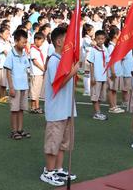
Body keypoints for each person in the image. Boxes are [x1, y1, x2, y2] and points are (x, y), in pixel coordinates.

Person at [40, 25, 78, 187]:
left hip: (66, 108)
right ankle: (48, 172)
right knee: (53, 142)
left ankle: (58, 168)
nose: (71, 43)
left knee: (63, 142)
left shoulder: (64, 60)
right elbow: (58, 83)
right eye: (68, 40)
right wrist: (72, 72)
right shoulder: (55, 61)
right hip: (56, 110)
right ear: (59, 41)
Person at [4, 28, 31, 140]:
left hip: (24, 86)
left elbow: (27, 69)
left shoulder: (24, 54)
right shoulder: (11, 54)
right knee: (14, 110)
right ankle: (14, 130)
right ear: (16, 41)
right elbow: (8, 72)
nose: (24, 44)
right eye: (22, 42)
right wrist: (11, 87)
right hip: (15, 86)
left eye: (26, 42)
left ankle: (20, 129)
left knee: (21, 109)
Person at [87, 29, 108, 121]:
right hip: (96, 76)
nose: (100, 40)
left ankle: (97, 111)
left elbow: (107, 62)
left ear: (105, 39)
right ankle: (97, 113)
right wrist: (92, 77)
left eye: (102, 39)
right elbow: (91, 64)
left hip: (103, 76)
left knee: (100, 96)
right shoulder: (93, 50)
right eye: (98, 39)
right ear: (95, 39)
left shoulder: (105, 49)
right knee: (95, 95)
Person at [107, 26, 124, 114]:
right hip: (113, 72)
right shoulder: (111, 47)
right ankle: (112, 107)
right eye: (119, 34)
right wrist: (113, 72)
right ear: (115, 35)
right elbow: (111, 61)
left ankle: (114, 105)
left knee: (114, 89)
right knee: (111, 89)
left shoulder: (115, 46)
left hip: (117, 71)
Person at [30, 31, 46, 114]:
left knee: (37, 91)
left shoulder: (38, 49)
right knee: (34, 91)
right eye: (41, 41)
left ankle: (37, 106)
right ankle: (33, 107)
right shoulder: (33, 49)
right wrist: (43, 69)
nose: (42, 43)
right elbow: (35, 62)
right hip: (36, 73)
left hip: (39, 73)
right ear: (36, 40)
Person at [0, 25, 11, 104]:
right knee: (1, 82)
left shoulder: (8, 42)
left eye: (8, 34)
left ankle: (4, 96)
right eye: (6, 34)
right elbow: (6, 53)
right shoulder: (0, 43)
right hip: (1, 65)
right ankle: (1, 97)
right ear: (1, 34)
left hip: (6, 65)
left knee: (5, 82)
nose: (7, 35)